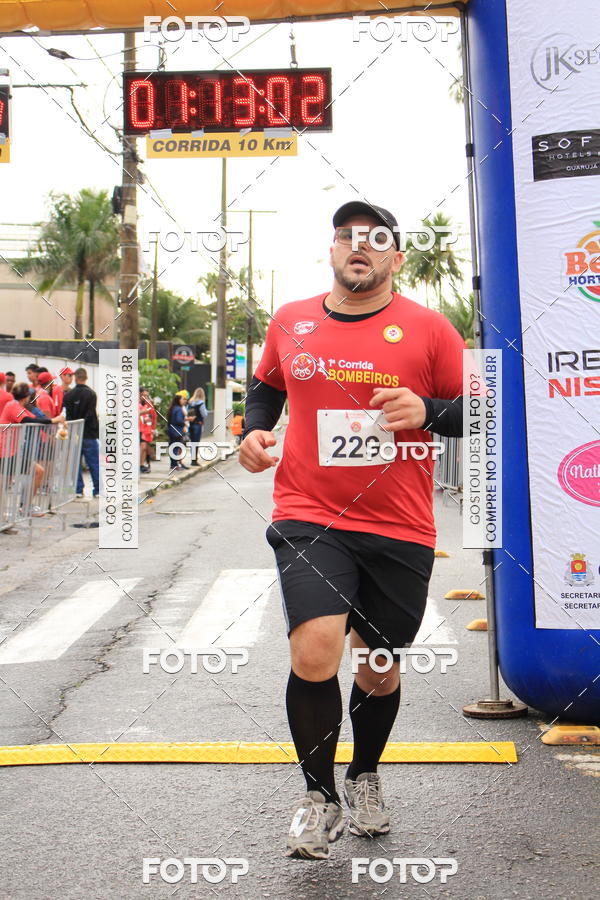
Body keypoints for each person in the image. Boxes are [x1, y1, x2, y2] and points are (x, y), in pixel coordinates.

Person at [239, 202, 466, 860]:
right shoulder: (292, 322)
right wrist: (255, 431)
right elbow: (266, 387)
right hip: (310, 515)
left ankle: (364, 774)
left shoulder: (429, 331)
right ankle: (318, 796)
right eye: (345, 236)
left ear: (396, 258)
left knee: (379, 669)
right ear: (332, 251)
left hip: (398, 525)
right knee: (315, 650)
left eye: (374, 239)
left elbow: (476, 410)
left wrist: (426, 409)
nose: (357, 247)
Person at [0, 382, 65, 504]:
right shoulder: (13, 406)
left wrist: (58, 421)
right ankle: (24, 507)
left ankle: (25, 506)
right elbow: (27, 420)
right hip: (5, 451)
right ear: (26, 397)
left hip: (11, 451)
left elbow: (35, 418)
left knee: (36, 472)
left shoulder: (17, 406)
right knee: (6, 483)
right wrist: (54, 420)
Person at [64, 367, 100, 498]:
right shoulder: (91, 394)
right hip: (89, 433)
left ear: (75, 378)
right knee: (93, 463)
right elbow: (91, 414)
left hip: (74, 433)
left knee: (75, 464)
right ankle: (97, 490)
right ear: (86, 378)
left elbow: (67, 415)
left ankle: (78, 490)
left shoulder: (68, 395)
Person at [166, 393, 189, 471]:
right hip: (177, 431)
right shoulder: (179, 409)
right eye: (183, 399)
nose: (185, 401)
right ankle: (175, 465)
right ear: (178, 400)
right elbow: (179, 420)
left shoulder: (173, 408)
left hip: (171, 430)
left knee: (172, 447)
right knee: (176, 448)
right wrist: (184, 423)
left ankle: (173, 464)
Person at [139, 387, 157, 474]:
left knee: (144, 447)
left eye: (147, 396)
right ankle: (140, 465)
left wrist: (153, 428)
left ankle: (141, 465)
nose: (145, 398)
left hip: (145, 429)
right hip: (136, 428)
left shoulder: (148, 404)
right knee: (142, 448)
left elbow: (153, 416)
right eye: (144, 396)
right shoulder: (135, 403)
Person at [188, 388, 208, 465]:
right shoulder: (201, 403)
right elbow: (204, 414)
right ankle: (194, 461)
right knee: (196, 442)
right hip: (198, 424)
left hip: (191, 424)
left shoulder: (190, 402)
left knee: (192, 442)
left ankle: (192, 459)